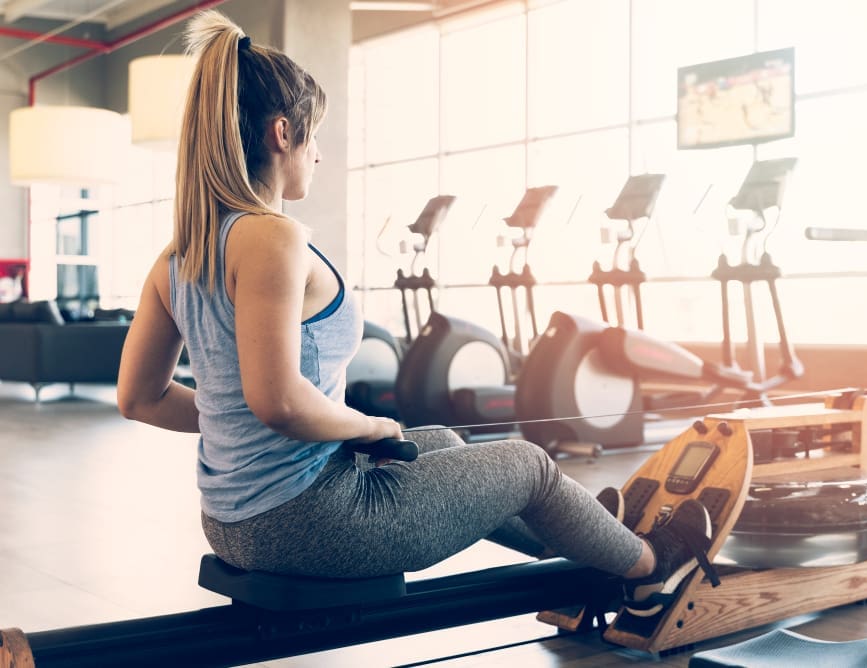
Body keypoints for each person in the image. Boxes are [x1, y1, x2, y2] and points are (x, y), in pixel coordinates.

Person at [116, 8, 716, 618]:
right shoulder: (272, 238)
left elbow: (139, 398)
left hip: (229, 521)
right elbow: (281, 402)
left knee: (440, 440)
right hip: (308, 521)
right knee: (530, 464)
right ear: (281, 133)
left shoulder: (177, 255)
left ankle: (587, 541)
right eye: (313, 134)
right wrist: (365, 425)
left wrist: (233, 423)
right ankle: (650, 568)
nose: (318, 154)